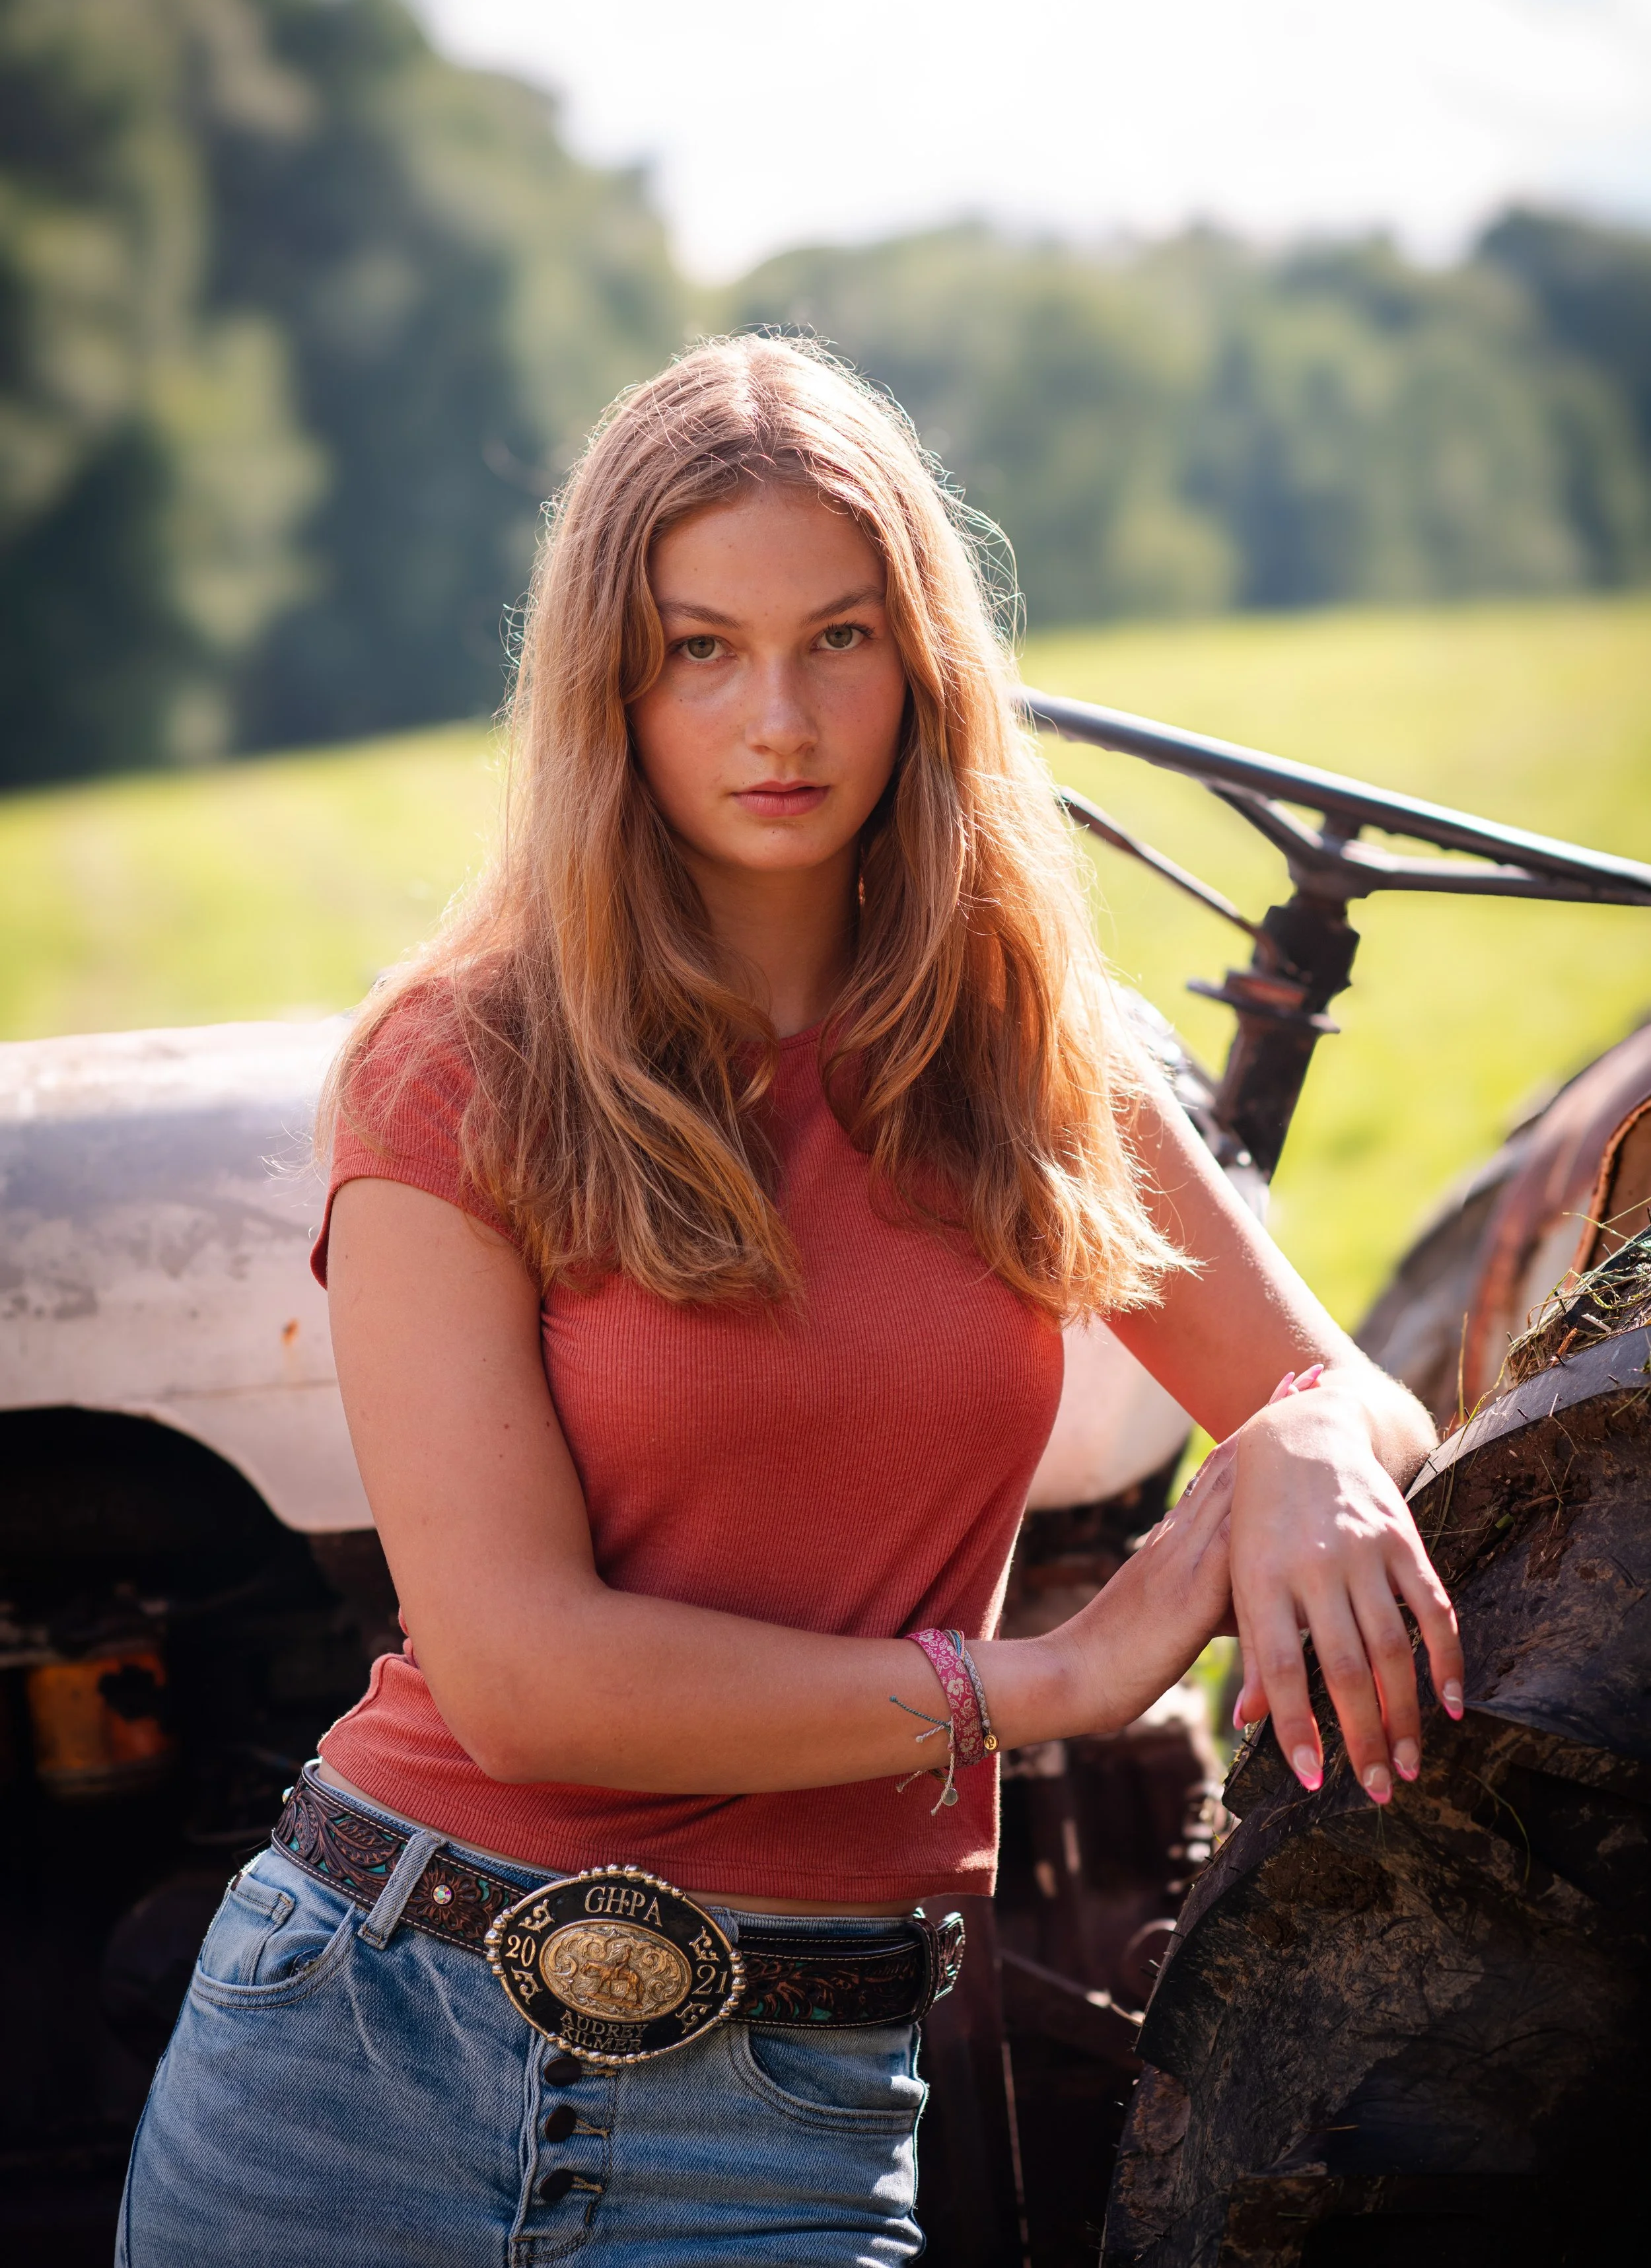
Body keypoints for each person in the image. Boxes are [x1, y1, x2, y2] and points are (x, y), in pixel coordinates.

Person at [118, 337, 1460, 2267]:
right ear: (612, 683)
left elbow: (1341, 1391)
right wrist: (1049, 1685)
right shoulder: (462, 1062)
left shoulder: (1028, 1056)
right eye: (699, 650)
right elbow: (512, 1669)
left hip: (793, 2104)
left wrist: (1319, 1434)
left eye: (837, 637)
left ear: (921, 663)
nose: (780, 718)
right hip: (372, 2048)